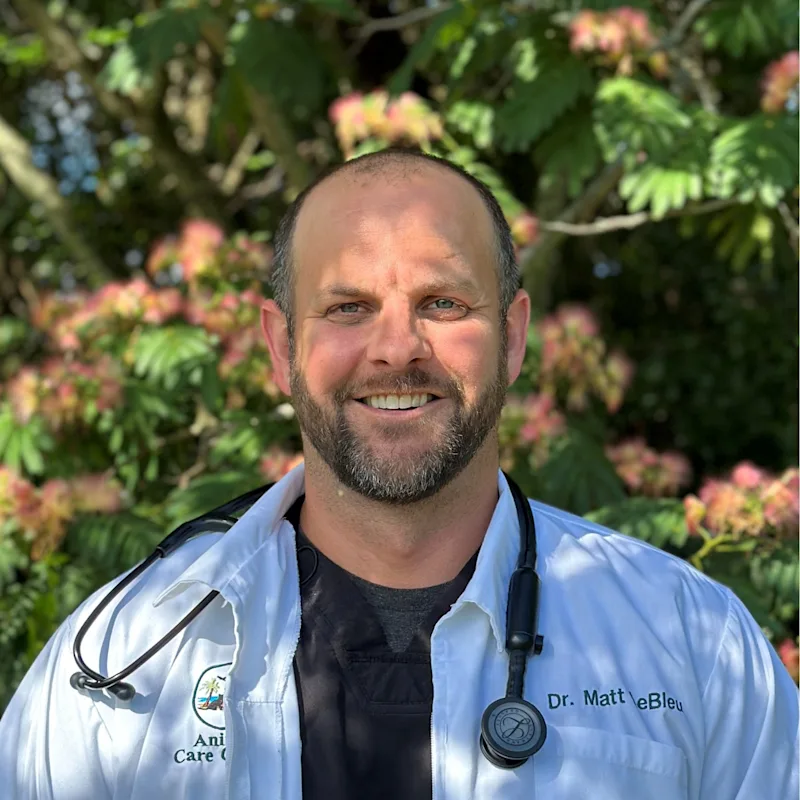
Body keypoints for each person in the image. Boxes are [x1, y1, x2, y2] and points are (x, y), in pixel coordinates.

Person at [0, 147, 797, 800]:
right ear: (280, 346)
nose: (396, 348)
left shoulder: (690, 641)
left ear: (513, 338)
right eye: (347, 307)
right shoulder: (120, 657)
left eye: (443, 303)